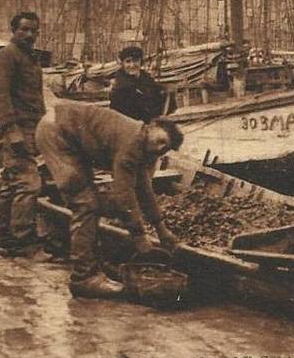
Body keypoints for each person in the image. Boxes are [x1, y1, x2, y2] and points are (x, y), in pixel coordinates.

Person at [35, 103, 184, 299]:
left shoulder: (145, 148)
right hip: (56, 132)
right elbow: (125, 194)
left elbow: (144, 188)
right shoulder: (132, 142)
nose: (160, 148)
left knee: (92, 200)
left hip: (71, 135)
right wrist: (139, 237)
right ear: (151, 127)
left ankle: (92, 258)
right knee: (85, 203)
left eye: (165, 148)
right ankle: (83, 277)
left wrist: (161, 229)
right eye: (160, 141)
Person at [0, 11, 46, 257]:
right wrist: (10, 131)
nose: (29, 34)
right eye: (24, 30)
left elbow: (35, 97)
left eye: (34, 30)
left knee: (11, 183)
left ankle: (4, 239)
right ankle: (24, 242)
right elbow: (0, 95)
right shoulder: (7, 56)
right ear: (13, 31)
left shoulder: (29, 57)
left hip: (31, 128)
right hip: (16, 129)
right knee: (29, 185)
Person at [108, 45, 174, 122]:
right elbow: (117, 115)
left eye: (135, 60)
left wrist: (167, 93)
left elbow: (161, 103)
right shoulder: (119, 88)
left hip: (151, 124)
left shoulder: (148, 81)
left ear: (141, 62)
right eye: (128, 61)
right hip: (129, 128)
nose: (132, 65)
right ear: (122, 64)